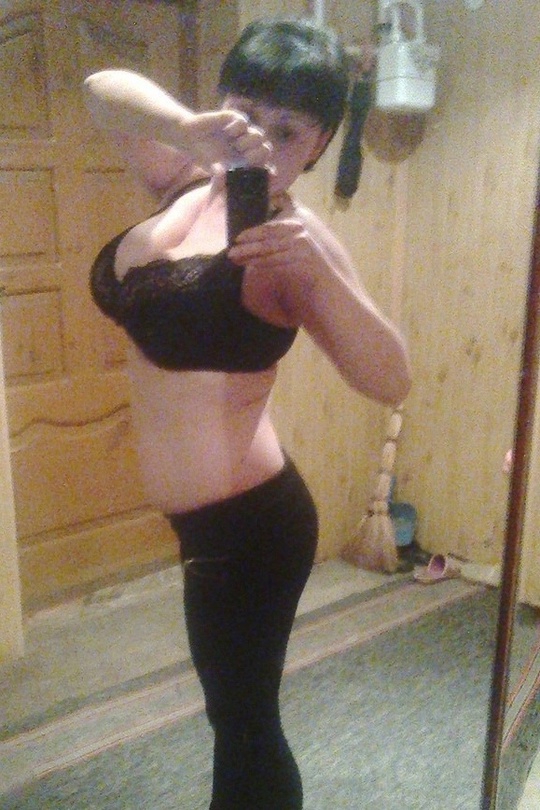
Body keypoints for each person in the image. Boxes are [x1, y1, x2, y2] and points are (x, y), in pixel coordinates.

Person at [84, 18, 412, 809]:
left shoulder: (295, 244)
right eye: (244, 113)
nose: (258, 143)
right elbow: (100, 90)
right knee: (233, 717)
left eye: (286, 130)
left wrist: (319, 274)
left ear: (319, 145)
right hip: (207, 526)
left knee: (244, 726)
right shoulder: (181, 177)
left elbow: (392, 378)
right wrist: (189, 128)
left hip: (251, 531)